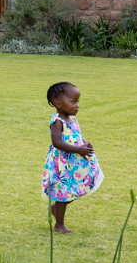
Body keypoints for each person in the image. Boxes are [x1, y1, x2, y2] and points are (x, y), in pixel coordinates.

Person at [42, 81, 103, 233]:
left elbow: (76, 136)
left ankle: (56, 208)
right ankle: (59, 225)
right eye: (73, 102)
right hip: (62, 164)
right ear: (58, 103)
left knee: (77, 188)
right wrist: (78, 149)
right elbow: (57, 142)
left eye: (78, 102)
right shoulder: (57, 122)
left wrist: (85, 143)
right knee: (64, 192)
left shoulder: (73, 119)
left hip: (74, 163)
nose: (77, 105)